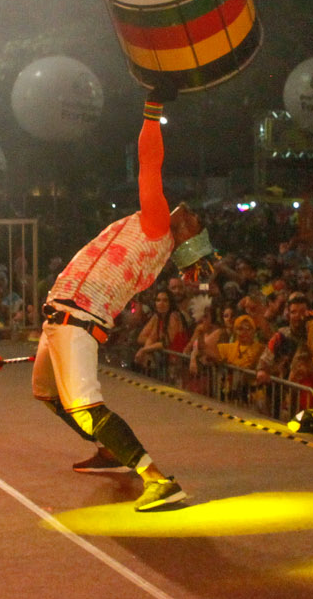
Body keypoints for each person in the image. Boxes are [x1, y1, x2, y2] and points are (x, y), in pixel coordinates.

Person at [32, 87, 215, 510]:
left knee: (85, 406)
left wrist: (152, 110)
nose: (186, 211)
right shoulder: (155, 239)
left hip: (75, 318)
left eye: (192, 220)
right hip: (63, 316)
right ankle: (110, 449)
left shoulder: (156, 225)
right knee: (46, 393)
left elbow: (150, 163)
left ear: (184, 238)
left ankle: (157, 479)